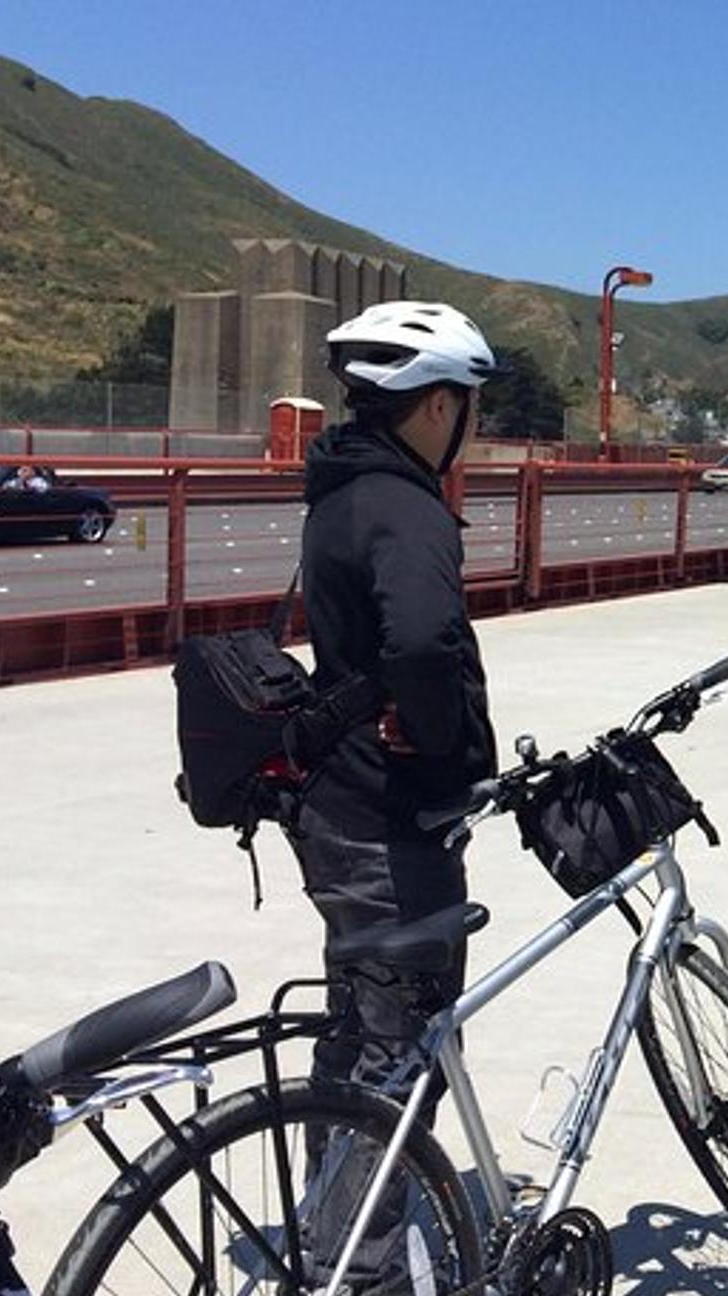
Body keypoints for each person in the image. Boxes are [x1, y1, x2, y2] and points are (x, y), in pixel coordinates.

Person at [289, 300, 506, 1108]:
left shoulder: (339, 488)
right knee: (401, 1047)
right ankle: (368, 1236)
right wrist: (437, 739)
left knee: (358, 1028)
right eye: (471, 405)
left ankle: (331, 1219)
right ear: (440, 404)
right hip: (390, 818)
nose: (472, 426)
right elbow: (420, 643)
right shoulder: (408, 508)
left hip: (338, 805)